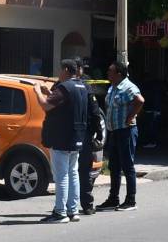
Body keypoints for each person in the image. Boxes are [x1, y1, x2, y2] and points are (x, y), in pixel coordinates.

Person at [40, 57, 90, 222]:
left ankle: (60, 212)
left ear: (67, 70)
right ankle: (73, 211)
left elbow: (46, 105)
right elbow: (66, 104)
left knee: (61, 176)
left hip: (62, 138)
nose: (59, 73)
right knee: (73, 174)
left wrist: (37, 92)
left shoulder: (65, 86)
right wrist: (50, 94)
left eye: (61, 69)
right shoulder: (82, 86)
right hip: (76, 136)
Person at [96, 60, 143, 210]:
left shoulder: (128, 87)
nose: (108, 73)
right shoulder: (113, 88)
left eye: (111, 71)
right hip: (114, 131)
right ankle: (113, 198)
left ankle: (130, 201)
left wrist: (130, 116)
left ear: (119, 74)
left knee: (127, 166)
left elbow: (139, 100)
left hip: (126, 131)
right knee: (113, 166)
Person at [76, 59, 104, 210]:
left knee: (70, 170)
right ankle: (87, 204)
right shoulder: (85, 87)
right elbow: (95, 113)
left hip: (69, 135)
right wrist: (99, 134)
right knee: (84, 170)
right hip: (84, 134)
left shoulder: (62, 86)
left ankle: (70, 205)